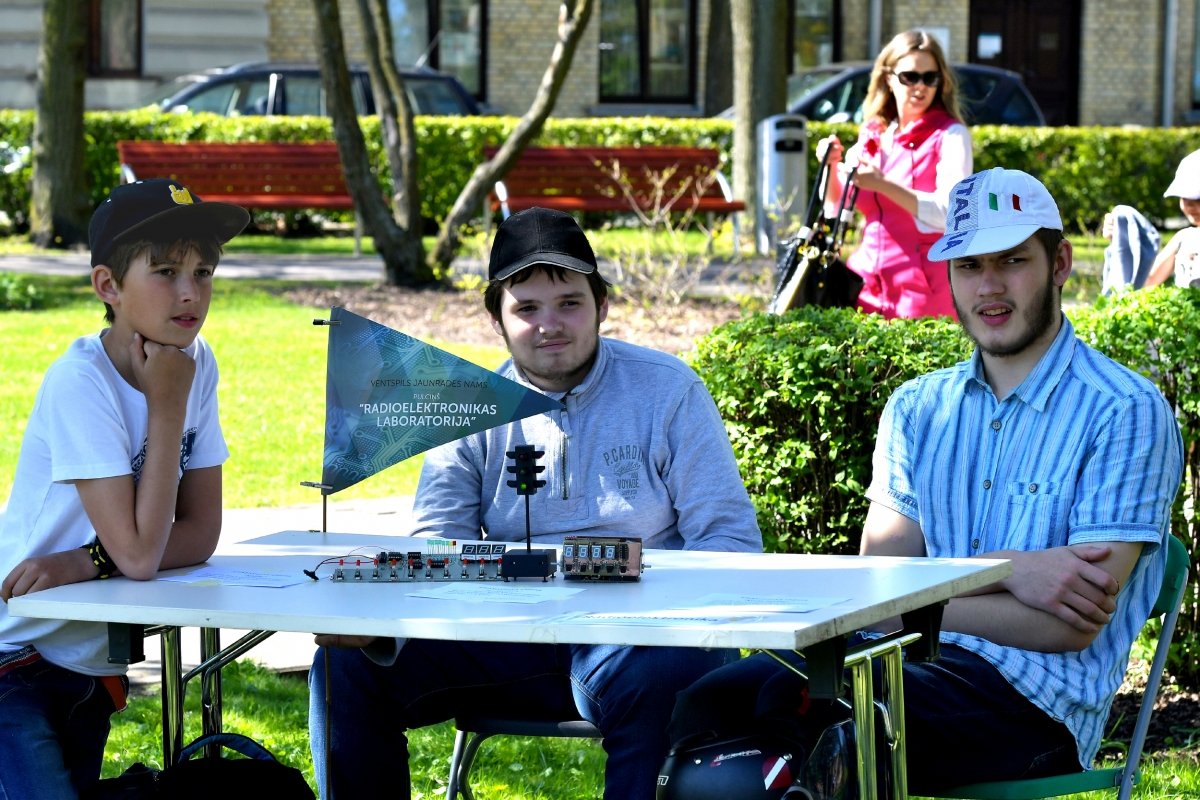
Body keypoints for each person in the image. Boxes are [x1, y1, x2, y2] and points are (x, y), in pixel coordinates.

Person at [667, 168, 1183, 793]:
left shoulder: (1124, 410)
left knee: (807, 713)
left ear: (1060, 263)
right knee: (709, 702)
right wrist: (1013, 571)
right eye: (969, 265)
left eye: (1012, 260)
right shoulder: (917, 408)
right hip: (899, 662)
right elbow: (879, 583)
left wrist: (920, 601)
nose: (989, 286)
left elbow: (1067, 625)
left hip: (1033, 703)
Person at [308, 207, 763, 800]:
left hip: (643, 641)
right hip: (506, 641)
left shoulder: (669, 391)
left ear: (602, 305)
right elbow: (435, 548)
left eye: (569, 303)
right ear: (496, 319)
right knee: (345, 669)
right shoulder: (469, 406)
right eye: (526, 308)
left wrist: (653, 596)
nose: (550, 325)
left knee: (663, 676)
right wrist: (378, 625)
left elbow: (729, 540)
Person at [0, 179, 247, 799]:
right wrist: (166, 408)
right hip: (15, 654)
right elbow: (140, 555)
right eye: (165, 271)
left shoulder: (195, 362)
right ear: (108, 286)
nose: (191, 292)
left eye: (203, 272)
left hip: (89, 663)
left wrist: (86, 560)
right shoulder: (80, 382)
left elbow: (201, 531)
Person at [816, 29, 972, 320]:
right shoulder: (874, 134)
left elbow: (952, 214)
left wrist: (884, 185)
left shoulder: (950, 135)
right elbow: (835, 208)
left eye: (930, 78)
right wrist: (830, 165)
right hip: (864, 285)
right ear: (889, 78)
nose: (920, 87)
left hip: (923, 290)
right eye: (910, 76)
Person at [1103, 148, 1200, 290]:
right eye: (1184, 198)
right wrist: (1121, 236)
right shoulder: (1185, 239)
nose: (1189, 205)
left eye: (1197, 198)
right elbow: (1147, 281)